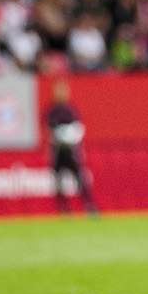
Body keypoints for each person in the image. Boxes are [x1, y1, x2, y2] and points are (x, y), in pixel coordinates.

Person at [45, 77, 97, 216]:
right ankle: (63, 209)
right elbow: (50, 131)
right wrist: (60, 135)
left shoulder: (70, 110)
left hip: (71, 150)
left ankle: (89, 206)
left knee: (79, 179)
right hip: (58, 151)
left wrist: (72, 137)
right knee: (59, 182)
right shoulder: (51, 111)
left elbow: (78, 128)